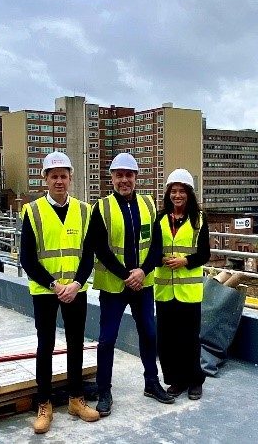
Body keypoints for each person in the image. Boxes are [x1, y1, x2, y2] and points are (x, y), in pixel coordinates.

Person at [88, 152, 174, 417]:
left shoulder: (149, 204)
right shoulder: (101, 208)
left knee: (149, 333)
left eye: (129, 175)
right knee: (107, 339)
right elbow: (99, 248)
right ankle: (104, 391)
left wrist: (143, 271)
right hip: (115, 286)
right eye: (119, 175)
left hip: (143, 284)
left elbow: (156, 244)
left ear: (136, 177)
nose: (124, 180)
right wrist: (127, 274)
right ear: (111, 178)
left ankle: (151, 382)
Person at [20, 151, 100, 434]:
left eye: (63, 176)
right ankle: (44, 405)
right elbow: (27, 259)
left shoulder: (84, 210)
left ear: (70, 178)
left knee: (76, 344)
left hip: (76, 290)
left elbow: (88, 254)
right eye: (54, 176)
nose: (59, 181)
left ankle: (76, 400)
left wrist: (76, 284)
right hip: (46, 291)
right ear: (45, 179)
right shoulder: (33, 211)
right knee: (46, 346)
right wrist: (54, 286)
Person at [152, 168, 210, 400]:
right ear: (168, 194)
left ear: (189, 194)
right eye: (173, 191)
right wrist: (162, 259)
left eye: (182, 191)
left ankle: (194, 380)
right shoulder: (159, 218)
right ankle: (175, 380)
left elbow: (204, 253)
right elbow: (152, 250)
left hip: (188, 291)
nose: (177, 195)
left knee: (189, 339)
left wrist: (186, 260)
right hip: (165, 290)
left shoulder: (199, 220)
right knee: (166, 340)